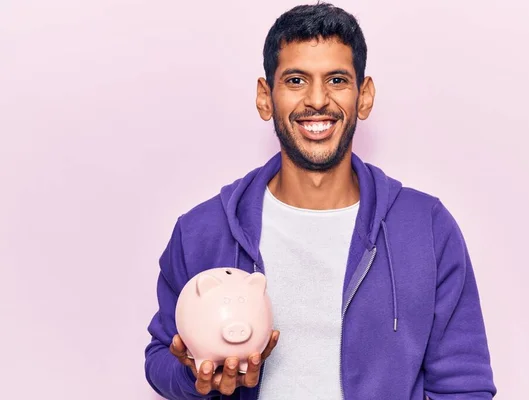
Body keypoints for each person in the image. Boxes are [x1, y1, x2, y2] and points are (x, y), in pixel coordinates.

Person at [144, 2, 497, 399]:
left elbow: (463, 383)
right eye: (295, 80)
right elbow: (161, 356)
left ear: (364, 96)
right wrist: (197, 379)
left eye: (336, 80)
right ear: (265, 97)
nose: (316, 100)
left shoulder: (426, 227)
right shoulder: (202, 231)